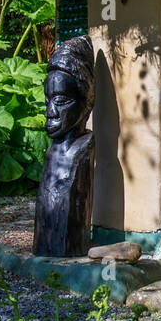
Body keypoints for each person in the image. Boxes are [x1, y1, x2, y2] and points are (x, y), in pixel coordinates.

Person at [33, 35, 95, 257]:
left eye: (60, 101)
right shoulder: (53, 150)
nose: (50, 112)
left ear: (86, 102)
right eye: (48, 100)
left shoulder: (83, 149)